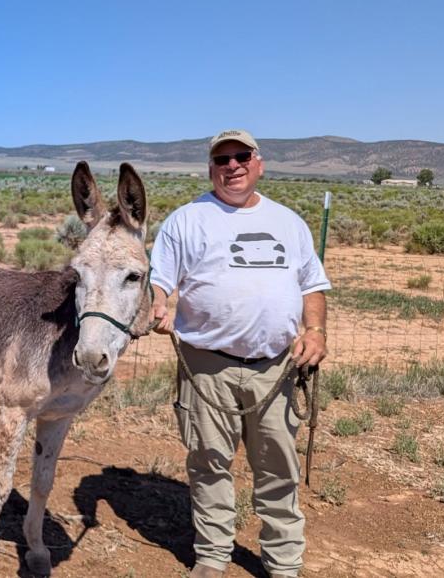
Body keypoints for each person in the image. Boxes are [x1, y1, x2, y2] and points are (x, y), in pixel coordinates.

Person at [149, 129, 330, 578]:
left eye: (241, 156)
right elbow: (161, 280)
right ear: (211, 168)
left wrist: (317, 331)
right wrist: (157, 302)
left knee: (278, 467)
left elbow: (312, 285)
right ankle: (212, 557)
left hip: (276, 367)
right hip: (206, 366)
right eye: (222, 159)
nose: (233, 165)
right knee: (209, 463)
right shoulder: (185, 220)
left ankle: (283, 564)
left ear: (259, 163)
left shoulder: (289, 222)